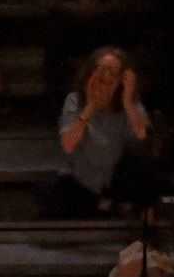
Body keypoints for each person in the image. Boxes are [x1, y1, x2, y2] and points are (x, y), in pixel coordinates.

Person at [43, 46, 152, 216]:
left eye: (114, 73)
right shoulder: (74, 100)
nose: (106, 77)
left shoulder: (130, 103)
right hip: (84, 181)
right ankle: (106, 206)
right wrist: (90, 106)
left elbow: (143, 137)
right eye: (102, 71)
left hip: (116, 180)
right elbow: (68, 145)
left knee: (142, 162)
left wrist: (128, 102)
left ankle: (112, 206)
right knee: (48, 188)